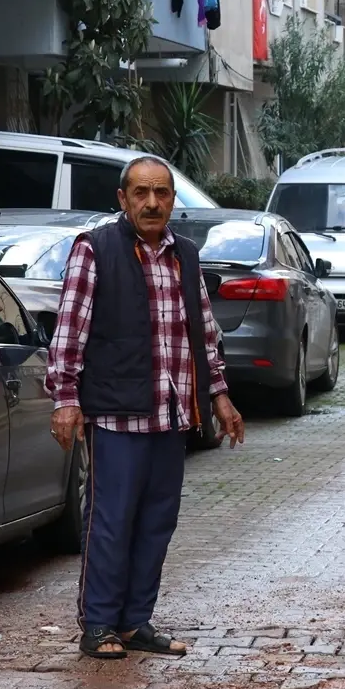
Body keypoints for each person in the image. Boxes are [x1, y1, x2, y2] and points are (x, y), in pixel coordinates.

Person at [46, 156, 246, 660]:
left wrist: (219, 396)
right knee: (110, 519)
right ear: (123, 199)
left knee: (159, 519)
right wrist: (66, 398)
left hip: (172, 412)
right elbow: (70, 331)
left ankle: (135, 620)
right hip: (117, 411)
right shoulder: (96, 250)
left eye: (161, 192)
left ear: (173, 201)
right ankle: (98, 624)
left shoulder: (186, 255)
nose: (152, 202)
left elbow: (203, 332)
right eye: (141, 192)